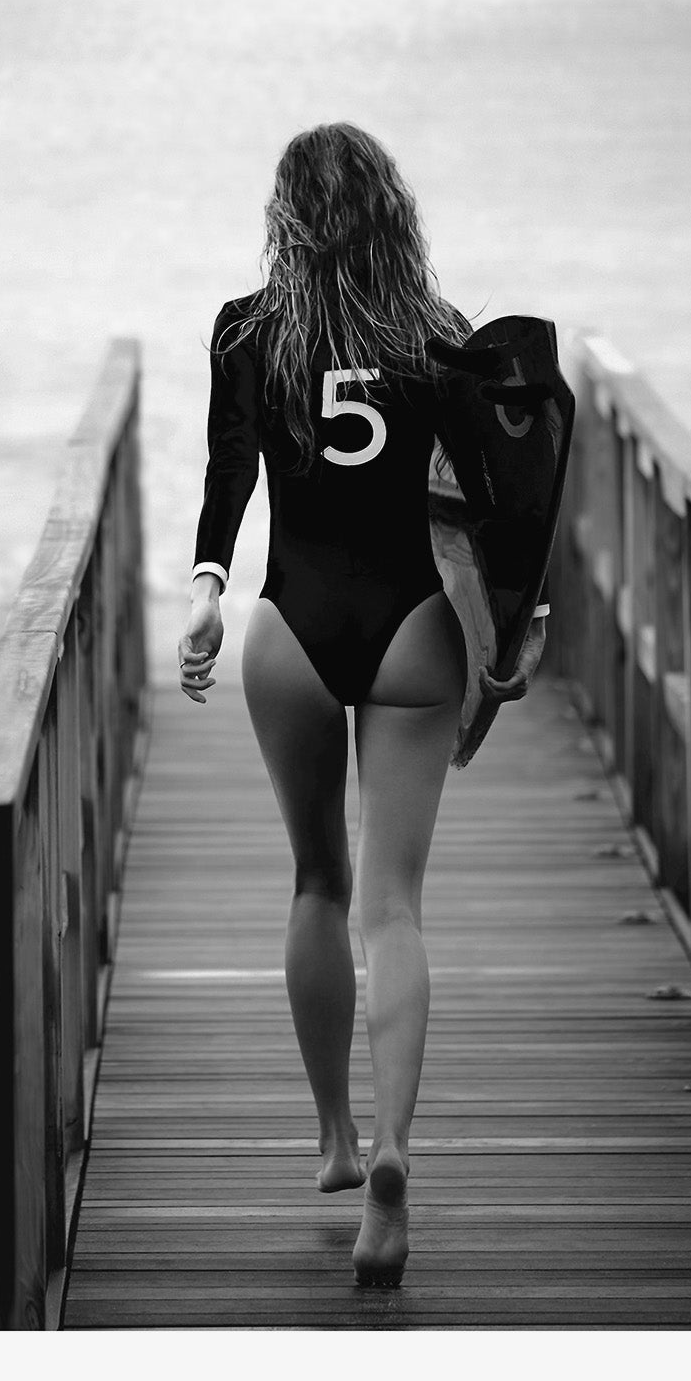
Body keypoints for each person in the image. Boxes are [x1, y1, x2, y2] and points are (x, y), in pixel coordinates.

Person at [178, 121, 538, 1288]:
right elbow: (497, 513)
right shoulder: (442, 341)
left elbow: (228, 471)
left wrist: (207, 592)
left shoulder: (248, 332)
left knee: (316, 883)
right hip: (414, 628)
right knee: (395, 910)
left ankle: (332, 1138)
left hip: (289, 626)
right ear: (395, 209)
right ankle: (393, 1149)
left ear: (285, 213)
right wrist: (508, 643)